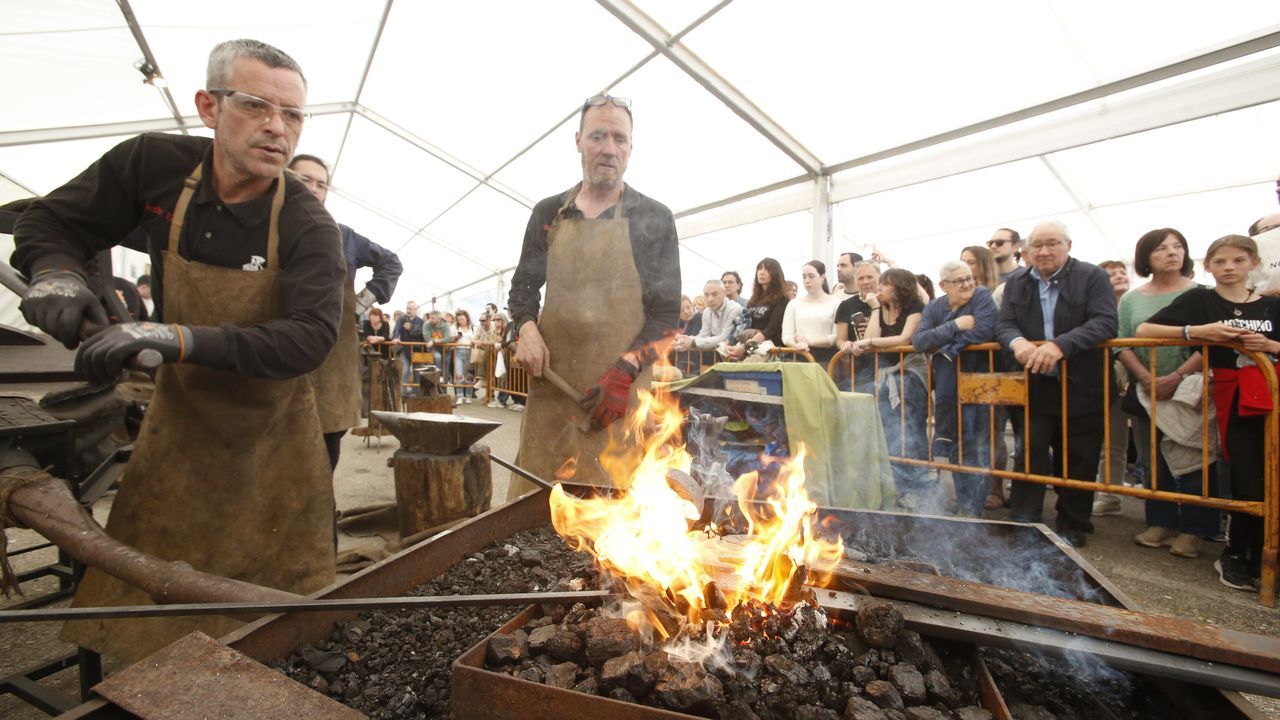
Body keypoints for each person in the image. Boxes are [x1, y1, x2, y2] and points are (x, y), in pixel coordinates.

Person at [11, 39, 343, 661]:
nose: (277, 127)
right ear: (208, 107)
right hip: (180, 419)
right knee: (153, 596)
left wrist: (172, 336)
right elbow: (49, 222)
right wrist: (57, 273)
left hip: (272, 432)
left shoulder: (307, 223)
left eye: (293, 115)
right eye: (255, 105)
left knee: (273, 614)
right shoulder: (152, 166)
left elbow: (309, 338)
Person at [507, 94, 680, 494]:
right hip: (552, 393)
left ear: (631, 148)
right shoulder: (548, 213)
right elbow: (523, 287)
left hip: (617, 403)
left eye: (619, 139)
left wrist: (623, 373)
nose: (608, 149)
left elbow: (666, 317)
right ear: (578, 141)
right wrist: (525, 327)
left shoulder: (652, 218)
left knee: (613, 529)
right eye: (598, 136)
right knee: (530, 518)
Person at [1139, 234, 1280, 590]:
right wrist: (1199, 331)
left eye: (1237, 260)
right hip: (1234, 397)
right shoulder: (1202, 299)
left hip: (1273, 391)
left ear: (1254, 264)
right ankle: (1238, 552)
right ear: (1208, 266)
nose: (1229, 267)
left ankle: (1270, 553)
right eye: (1221, 261)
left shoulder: (1272, 305)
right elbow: (1144, 329)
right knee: (1246, 478)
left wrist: (1269, 345)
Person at [996, 220, 1117, 548]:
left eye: (1053, 244)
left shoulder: (1092, 277)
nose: (1045, 251)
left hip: (1082, 382)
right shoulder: (1017, 283)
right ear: (1026, 250)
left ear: (1068, 246)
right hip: (1035, 384)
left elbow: (1106, 321)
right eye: (1037, 245)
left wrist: (1059, 345)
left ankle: (1073, 520)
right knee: (1030, 450)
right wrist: (1018, 342)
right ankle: (1024, 520)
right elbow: (1004, 323)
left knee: (1080, 454)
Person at [288, 154, 402, 469]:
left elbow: (391, 262)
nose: (313, 189)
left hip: (330, 357)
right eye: (304, 180)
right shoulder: (265, 230)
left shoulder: (343, 236)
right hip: (279, 354)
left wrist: (362, 302)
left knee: (326, 443)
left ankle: (322, 512)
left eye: (321, 184)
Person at [1107, 230, 1215, 559]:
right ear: (1146, 257)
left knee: (1196, 457)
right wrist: (1146, 378)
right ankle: (1161, 520)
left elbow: (1211, 343)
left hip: (1192, 386)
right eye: (1162, 248)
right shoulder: (1132, 299)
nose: (1172, 253)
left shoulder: (1203, 294)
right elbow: (1122, 341)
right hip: (1147, 388)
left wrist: (1178, 376)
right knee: (1151, 457)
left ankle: (1194, 528)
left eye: (1178, 247)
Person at [913, 260, 997, 516]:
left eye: (970, 277)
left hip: (980, 381)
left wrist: (948, 347)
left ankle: (975, 504)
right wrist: (956, 326)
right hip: (949, 386)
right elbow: (920, 340)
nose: (968, 284)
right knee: (955, 443)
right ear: (944, 286)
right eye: (960, 280)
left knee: (976, 443)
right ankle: (963, 499)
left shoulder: (981, 296)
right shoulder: (937, 306)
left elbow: (984, 330)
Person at [850, 268, 928, 507]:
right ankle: (893, 481)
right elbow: (873, 338)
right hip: (886, 373)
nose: (878, 288)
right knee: (887, 423)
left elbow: (904, 339)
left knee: (910, 425)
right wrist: (875, 308)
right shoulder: (881, 308)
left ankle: (917, 483)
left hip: (913, 370)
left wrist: (870, 342)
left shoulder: (915, 307)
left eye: (885, 284)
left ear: (900, 287)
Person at [724, 257, 789, 360]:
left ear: (776, 273)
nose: (761, 272)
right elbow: (743, 324)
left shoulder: (782, 298)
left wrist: (746, 348)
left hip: (769, 348)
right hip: (749, 344)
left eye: (767, 269)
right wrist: (731, 344)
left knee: (746, 368)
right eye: (759, 269)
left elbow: (771, 330)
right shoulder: (754, 299)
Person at [781, 260, 840, 365]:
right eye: (804, 277)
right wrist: (797, 345)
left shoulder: (836, 303)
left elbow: (836, 336)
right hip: (797, 358)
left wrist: (809, 341)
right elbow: (786, 335)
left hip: (826, 360)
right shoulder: (793, 304)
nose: (807, 280)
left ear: (822, 277)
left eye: (811, 276)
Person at [835, 261, 881, 391]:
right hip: (857, 366)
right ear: (855, 281)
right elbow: (840, 339)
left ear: (879, 277)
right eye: (861, 278)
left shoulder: (887, 301)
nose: (865, 282)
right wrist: (845, 345)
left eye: (870, 277)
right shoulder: (846, 305)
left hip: (884, 362)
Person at [452, 309, 476, 404]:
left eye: (462, 319)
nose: (461, 321)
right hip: (458, 351)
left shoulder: (473, 328)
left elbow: (476, 339)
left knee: (470, 374)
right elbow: (451, 339)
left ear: (467, 318)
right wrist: (455, 338)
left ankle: (469, 395)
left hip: (470, 352)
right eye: (459, 320)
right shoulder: (455, 328)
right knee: (459, 374)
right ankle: (460, 395)